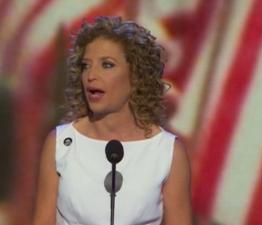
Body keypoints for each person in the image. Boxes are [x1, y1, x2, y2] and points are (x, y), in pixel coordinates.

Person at [33, 16, 192, 225]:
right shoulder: (60, 143)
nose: (91, 75)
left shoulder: (168, 152)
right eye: (86, 65)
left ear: (136, 77)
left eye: (107, 65)